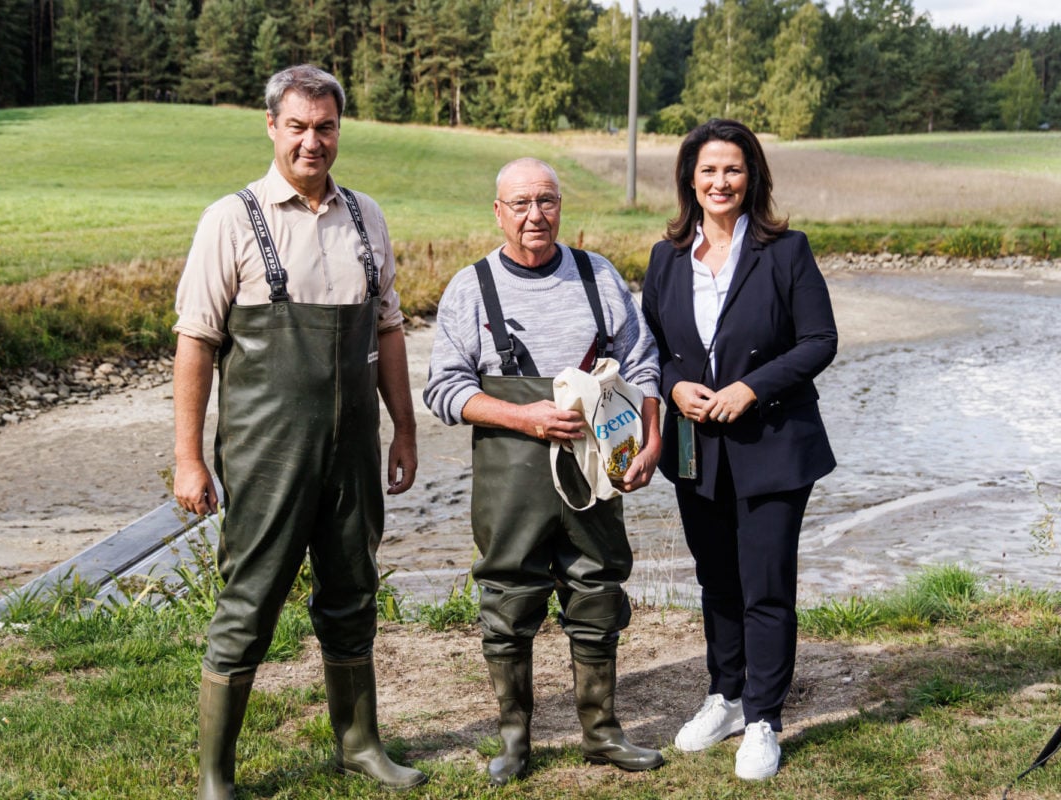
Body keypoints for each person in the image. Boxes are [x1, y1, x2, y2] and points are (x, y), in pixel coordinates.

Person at [171, 64, 425, 798]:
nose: (312, 141)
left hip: (352, 448)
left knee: (353, 590)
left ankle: (360, 745)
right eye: (298, 126)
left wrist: (403, 429)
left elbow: (390, 326)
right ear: (272, 128)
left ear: (339, 130)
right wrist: (189, 458)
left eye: (326, 127)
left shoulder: (366, 216)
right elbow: (195, 342)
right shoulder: (232, 217)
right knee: (248, 600)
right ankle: (216, 776)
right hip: (266, 450)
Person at [423, 157, 665, 785]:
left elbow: (641, 363)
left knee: (598, 591)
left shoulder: (598, 275)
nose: (536, 215)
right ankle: (514, 741)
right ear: (498, 212)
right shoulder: (469, 288)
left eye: (548, 201)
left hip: (595, 467)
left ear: (561, 206)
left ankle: (602, 732)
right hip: (510, 474)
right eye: (521, 203)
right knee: (508, 600)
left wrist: (653, 437)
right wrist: (522, 417)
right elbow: (444, 390)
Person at [640, 118, 837, 780]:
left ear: (751, 176)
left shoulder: (787, 250)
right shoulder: (667, 257)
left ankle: (763, 719)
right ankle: (724, 697)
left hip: (775, 444)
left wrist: (750, 388)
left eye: (733, 169)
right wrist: (674, 386)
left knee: (765, 586)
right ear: (689, 180)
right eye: (708, 170)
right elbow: (652, 350)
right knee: (716, 581)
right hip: (696, 445)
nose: (720, 181)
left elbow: (819, 341)